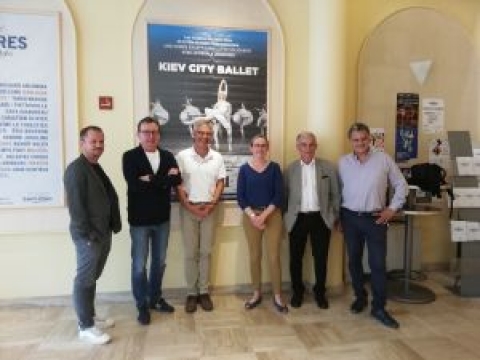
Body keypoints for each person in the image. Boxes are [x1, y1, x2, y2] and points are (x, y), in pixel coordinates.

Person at [338, 122, 407, 329]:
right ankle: (360, 297)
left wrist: (392, 209)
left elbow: (401, 185)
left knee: (377, 264)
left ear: (370, 139)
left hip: (375, 219)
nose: (360, 143)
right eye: (356, 139)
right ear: (351, 141)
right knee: (354, 262)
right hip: (350, 218)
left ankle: (379, 307)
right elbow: (338, 190)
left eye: (363, 139)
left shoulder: (383, 159)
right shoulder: (343, 162)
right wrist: (338, 217)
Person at [64, 126, 122, 345]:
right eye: (93, 142)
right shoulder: (76, 170)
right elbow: (76, 208)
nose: (98, 146)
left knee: (92, 278)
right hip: (88, 236)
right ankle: (85, 326)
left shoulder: (95, 166)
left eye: (101, 142)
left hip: (102, 232)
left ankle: (90, 315)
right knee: (84, 279)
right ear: (82, 143)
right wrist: (87, 235)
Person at [122, 117, 182, 325]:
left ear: (159, 134)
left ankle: (155, 299)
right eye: (146, 132)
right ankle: (141, 304)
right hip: (139, 221)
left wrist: (150, 179)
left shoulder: (167, 156)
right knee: (139, 265)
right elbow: (135, 185)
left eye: (154, 132)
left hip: (162, 220)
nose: (150, 136)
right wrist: (163, 180)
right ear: (138, 135)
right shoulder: (129, 157)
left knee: (159, 263)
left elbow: (177, 180)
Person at [284, 131, 340, 309]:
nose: (307, 148)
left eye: (311, 145)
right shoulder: (290, 169)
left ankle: (320, 293)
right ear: (297, 147)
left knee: (321, 258)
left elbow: (335, 194)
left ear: (316, 146)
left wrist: (334, 216)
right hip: (297, 219)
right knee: (295, 259)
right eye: (303, 145)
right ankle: (297, 292)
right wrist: (287, 218)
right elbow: (285, 197)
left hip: (320, 219)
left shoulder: (328, 168)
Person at [176, 118, 226, 313]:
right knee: (191, 254)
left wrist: (212, 203)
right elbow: (178, 184)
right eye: (201, 133)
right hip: (189, 210)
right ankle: (191, 293)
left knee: (206, 252)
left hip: (210, 209)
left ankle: (204, 292)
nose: (204, 137)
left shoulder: (217, 157)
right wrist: (189, 206)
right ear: (193, 133)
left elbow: (220, 182)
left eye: (208, 133)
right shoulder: (182, 156)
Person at [237, 134, 288, 313]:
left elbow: (279, 195)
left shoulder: (274, 168)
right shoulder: (243, 169)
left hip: (272, 214)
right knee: (254, 256)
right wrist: (253, 217)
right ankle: (256, 293)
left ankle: (277, 295)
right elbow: (241, 197)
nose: (259, 149)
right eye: (256, 145)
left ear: (267, 148)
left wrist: (264, 216)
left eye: (263, 145)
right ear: (251, 148)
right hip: (250, 216)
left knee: (274, 257)